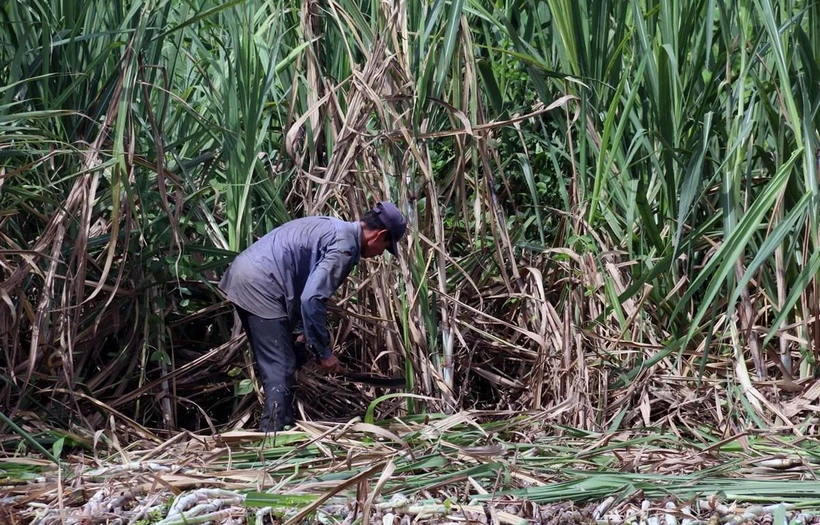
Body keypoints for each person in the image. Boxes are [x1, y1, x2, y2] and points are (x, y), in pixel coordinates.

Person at [219, 201, 408, 432]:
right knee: (280, 365)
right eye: (385, 248)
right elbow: (312, 298)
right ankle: (271, 437)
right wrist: (324, 353)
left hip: (250, 277)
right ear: (379, 235)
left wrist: (300, 333)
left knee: (290, 356)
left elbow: (300, 277)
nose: (379, 255)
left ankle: (284, 423)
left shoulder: (332, 226)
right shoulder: (345, 247)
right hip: (261, 284)